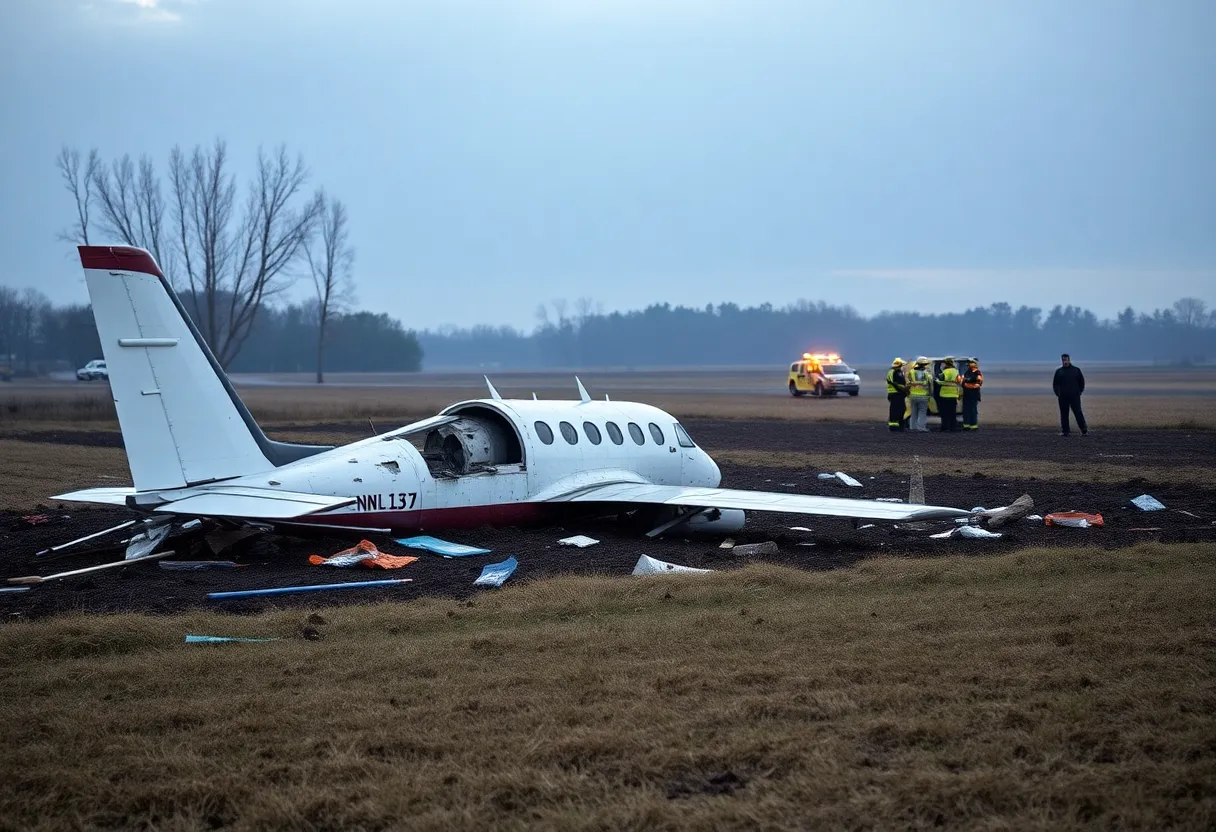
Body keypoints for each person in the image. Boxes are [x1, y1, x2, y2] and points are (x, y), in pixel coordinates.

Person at [1053, 353, 1088, 436]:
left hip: (1074, 397)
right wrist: (1058, 393)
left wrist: (1079, 392)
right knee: (1064, 414)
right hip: (1063, 397)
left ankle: (1084, 430)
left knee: (1078, 412)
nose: (1065, 361)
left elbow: (1082, 382)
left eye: (1066, 359)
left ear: (1069, 360)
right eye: (1063, 360)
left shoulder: (1076, 370)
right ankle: (1065, 432)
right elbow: (1055, 384)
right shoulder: (1059, 372)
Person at [907, 357, 932, 432]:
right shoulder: (927, 373)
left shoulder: (911, 372)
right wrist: (930, 394)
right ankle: (921, 428)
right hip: (923, 396)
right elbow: (930, 384)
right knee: (922, 412)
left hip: (913, 395)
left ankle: (912, 427)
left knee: (913, 412)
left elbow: (908, 382)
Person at [936, 357, 961, 432]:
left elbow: (941, 379)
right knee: (952, 413)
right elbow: (958, 380)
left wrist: (937, 381)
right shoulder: (956, 371)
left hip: (944, 395)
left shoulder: (945, 371)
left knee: (944, 413)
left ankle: (945, 427)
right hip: (953, 395)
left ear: (945, 363)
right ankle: (953, 428)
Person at [885, 358, 907, 432]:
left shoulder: (899, 372)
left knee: (902, 410)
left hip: (900, 395)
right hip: (895, 394)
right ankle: (893, 427)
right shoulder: (892, 372)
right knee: (895, 411)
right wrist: (904, 389)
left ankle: (900, 426)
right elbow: (894, 383)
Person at [961, 359, 983, 431]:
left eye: (970, 364)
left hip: (973, 395)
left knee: (972, 410)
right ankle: (966, 426)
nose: (969, 365)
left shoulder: (977, 372)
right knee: (966, 410)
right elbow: (962, 381)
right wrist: (966, 382)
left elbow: (979, 383)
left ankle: (974, 426)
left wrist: (968, 383)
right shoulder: (967, 372)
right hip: (967, 394)